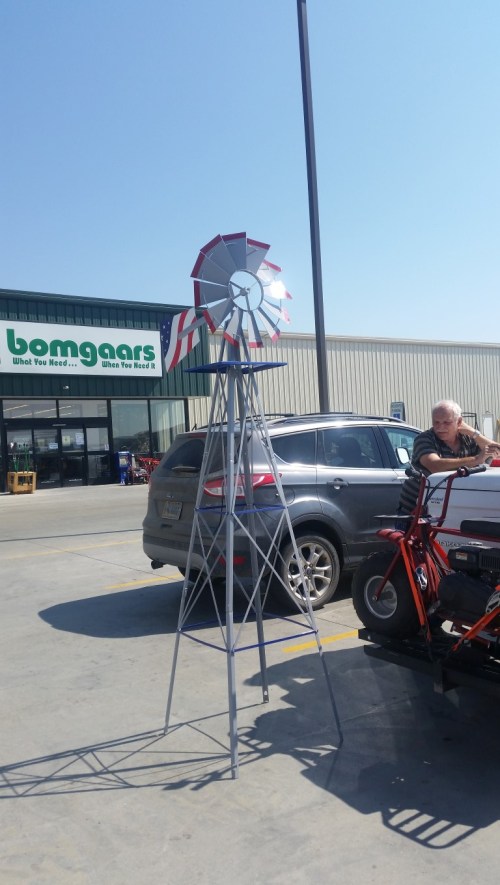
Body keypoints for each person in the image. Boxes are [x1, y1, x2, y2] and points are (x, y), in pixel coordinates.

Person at [398, 399, 500, 516]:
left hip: (452, 507)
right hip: (415, 509)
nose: (440, 427)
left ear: (459, 421)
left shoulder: (468, 439)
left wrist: (474, 433)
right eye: (436, 422)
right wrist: (476, 459)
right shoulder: (424, 439)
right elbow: (435, 466)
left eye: (447, 422)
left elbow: (498, 452)